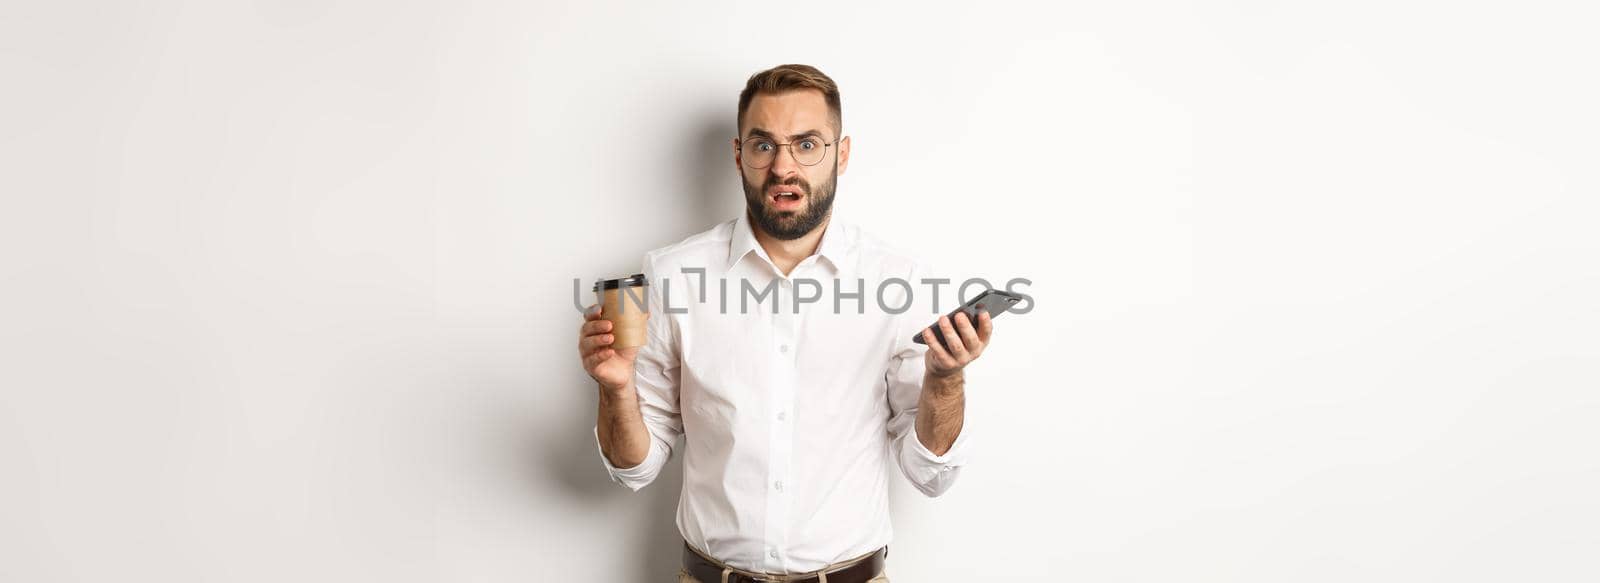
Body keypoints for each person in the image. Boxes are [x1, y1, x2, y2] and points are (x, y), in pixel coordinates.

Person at [577, 64, 996, 583]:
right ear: (738, 156)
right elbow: (635, 469)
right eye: (763, 145)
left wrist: (946, 380)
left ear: (841, 154)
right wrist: (615, 390)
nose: (783, 167)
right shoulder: (672, 275)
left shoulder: (901, 280)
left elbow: (931, 473)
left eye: (807, 144)